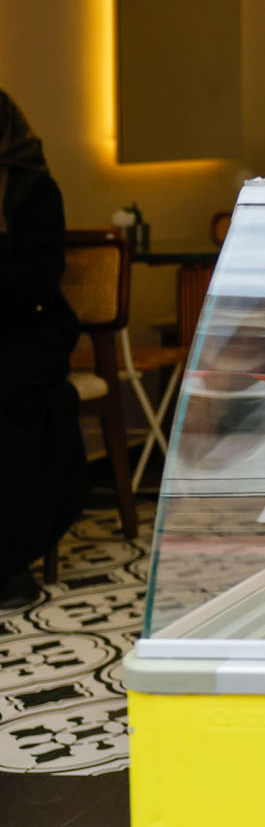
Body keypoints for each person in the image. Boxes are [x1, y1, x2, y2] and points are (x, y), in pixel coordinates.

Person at [0, 90, 88, 609]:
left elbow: (36, 278)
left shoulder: (33, 188)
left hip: (28, 332)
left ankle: (9, 562)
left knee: (12, 404)